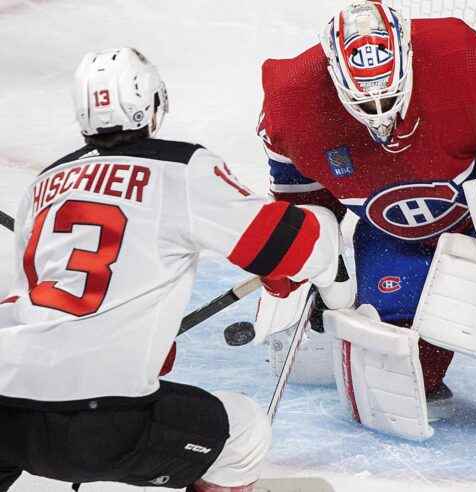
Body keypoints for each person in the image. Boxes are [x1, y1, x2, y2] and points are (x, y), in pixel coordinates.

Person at [0, 48, 343, 492]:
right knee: (243, 432)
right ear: (155, 103)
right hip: (100, 424)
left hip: (5, 405)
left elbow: (33, 299)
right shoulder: (179, 168)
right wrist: (323, 231)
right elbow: (291, 244)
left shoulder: (42, 183)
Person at [258, 0, 476, 421]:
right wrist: (313, 271)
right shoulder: (292, 102)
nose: (380, 117)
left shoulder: (469, 61)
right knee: (398, 366)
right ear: (332, 77)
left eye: (390, 96)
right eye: (363, 103)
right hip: (390, 232)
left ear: (409, 60)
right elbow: (304, 212)